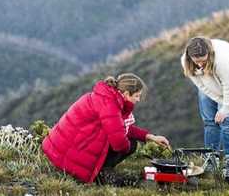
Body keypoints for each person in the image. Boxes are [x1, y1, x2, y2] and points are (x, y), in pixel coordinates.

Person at [41, 73, 171, 184]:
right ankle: (102, 173)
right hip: (70, 153)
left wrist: (150, 137)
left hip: (63, 148)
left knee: (129, 142)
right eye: (136, 96)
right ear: (126, 94)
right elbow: (119, 141)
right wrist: (127, 149)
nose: (138, 100)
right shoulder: (110, 106)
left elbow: (123, 128)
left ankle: (103, 169)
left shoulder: (106, 97)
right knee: (130, 144)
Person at [181, 36, 229, 184]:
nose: (199, 64)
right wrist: (223, 103)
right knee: (209, 120)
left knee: (227, 122)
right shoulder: (186, 61)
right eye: (196, 61)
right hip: (208, 80)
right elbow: (203, 87)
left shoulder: (222, 61)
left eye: (203, 60)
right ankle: (211, 157)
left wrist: (227, 107)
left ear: (209, 54)